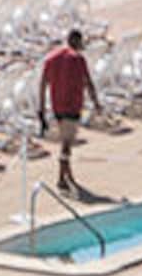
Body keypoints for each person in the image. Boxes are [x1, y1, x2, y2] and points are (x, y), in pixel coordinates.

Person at [39, 28, 104, 194]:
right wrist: (96, 103)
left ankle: (68, 176)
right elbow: (88, 82)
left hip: (57, 106)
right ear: (76, 41)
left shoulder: (51, 58)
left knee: (66, 142)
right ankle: (62, 179)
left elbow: (42, 85)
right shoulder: (78, 59)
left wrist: (41, 109)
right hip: (72, 105)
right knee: (66, 145)